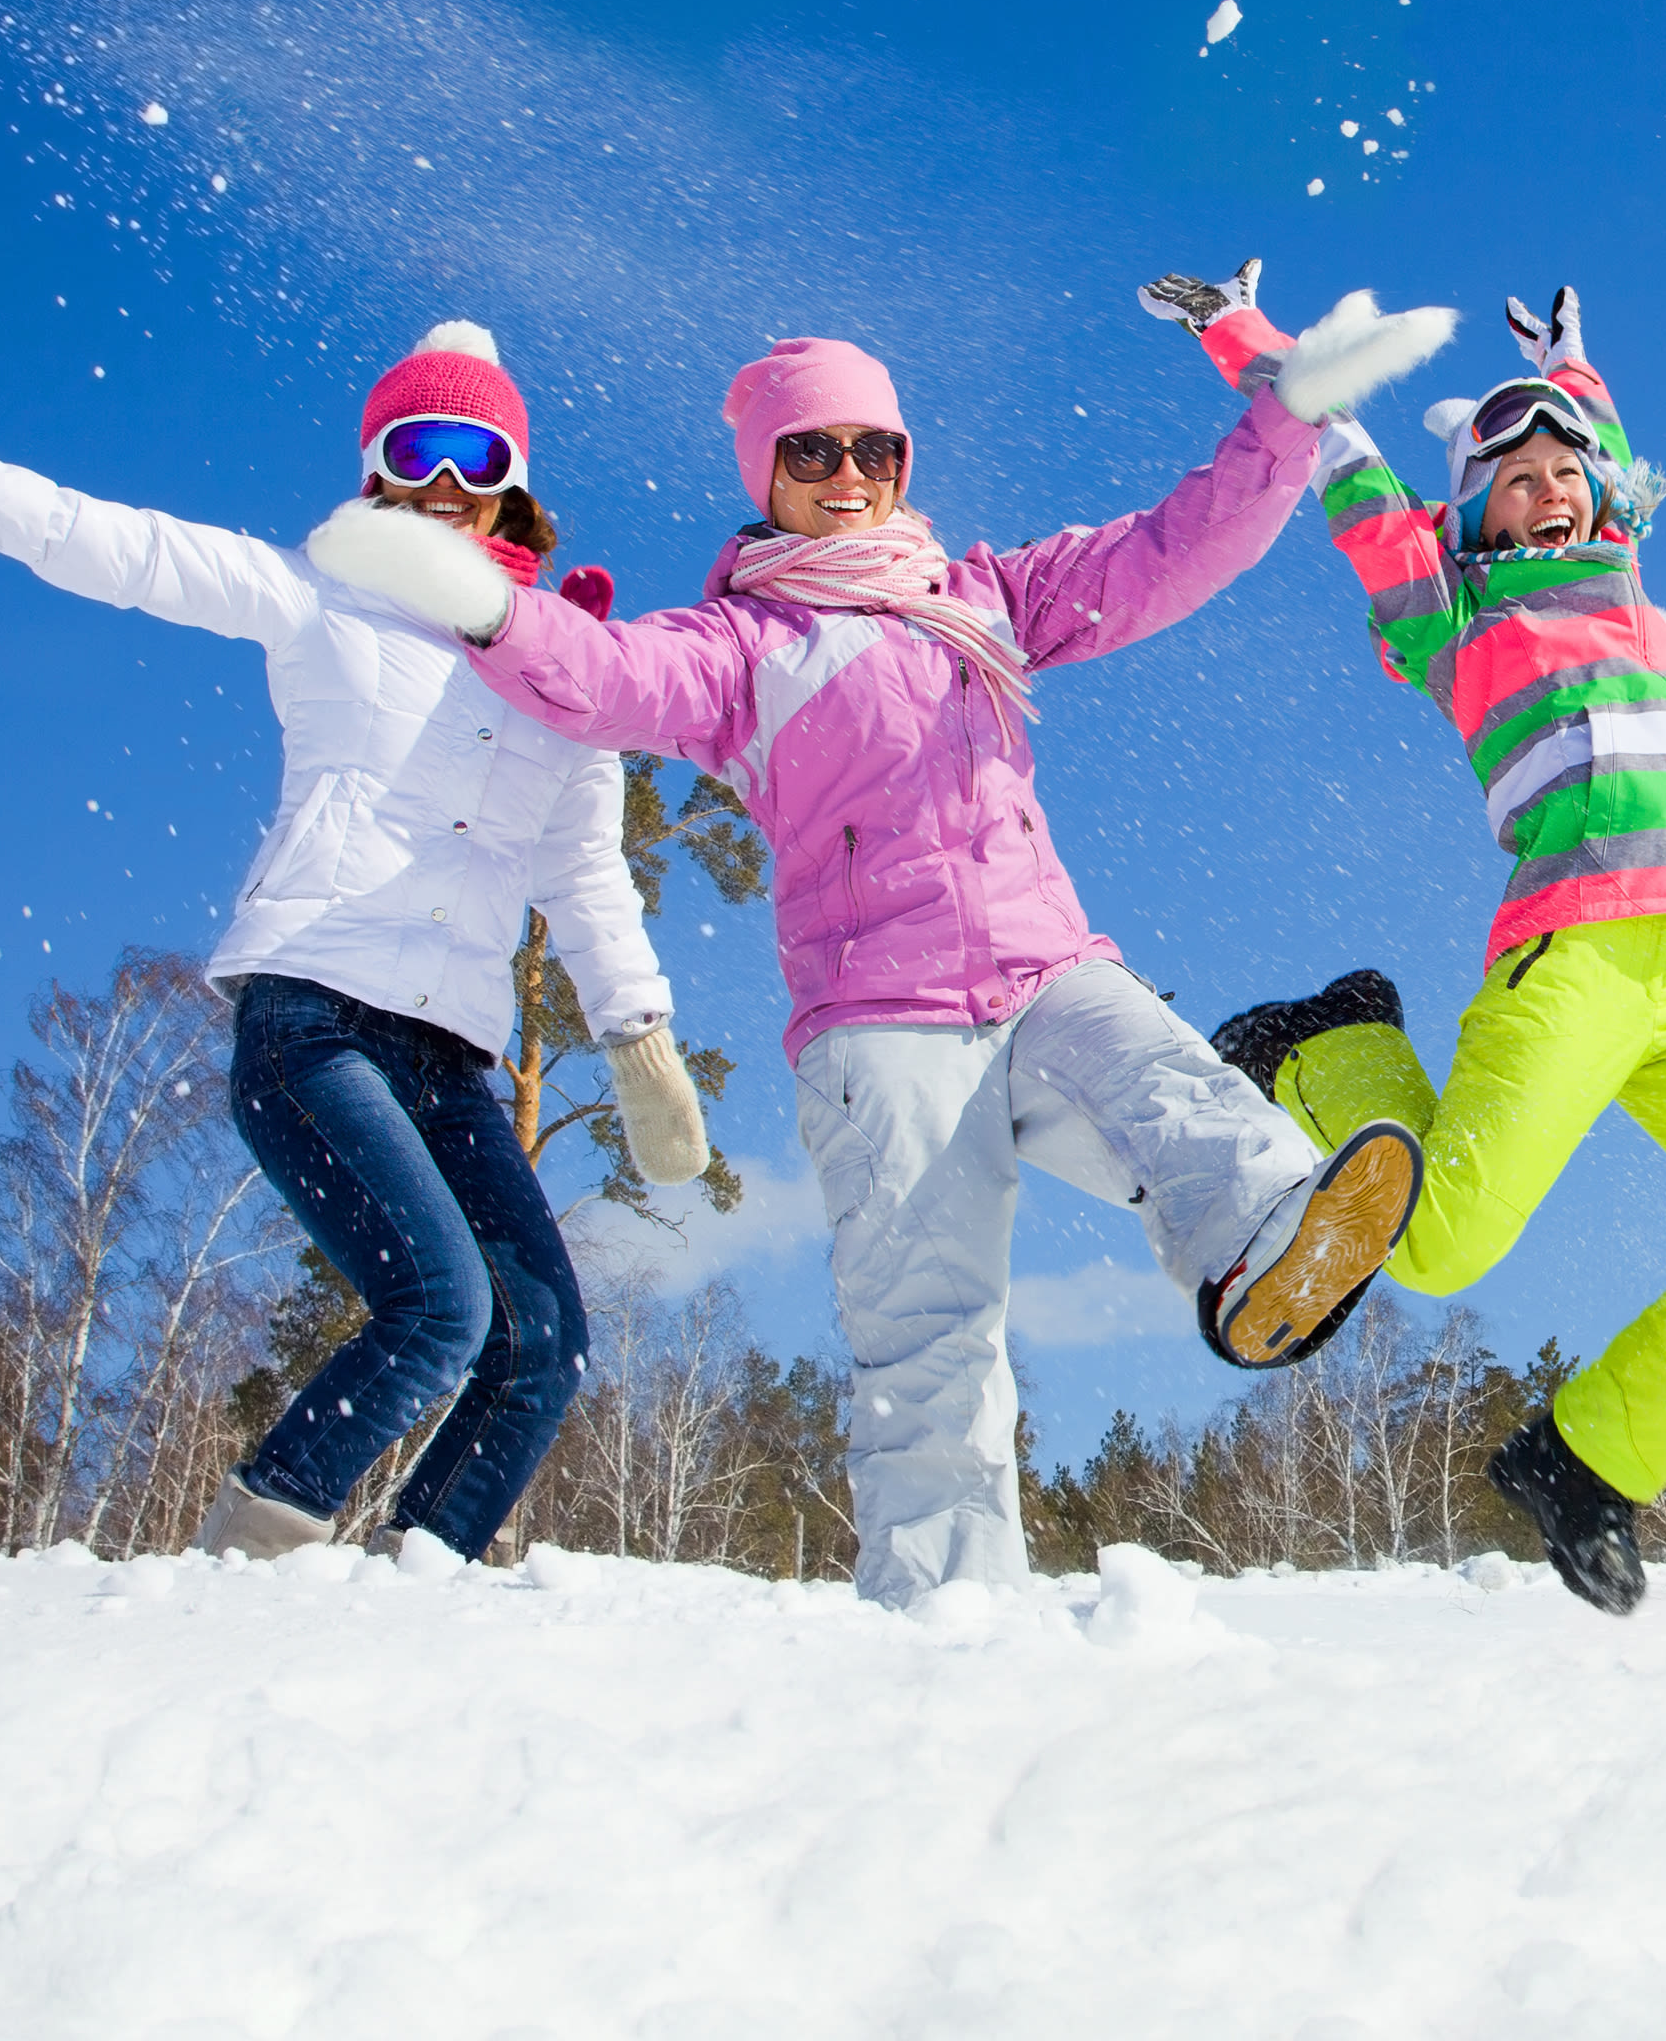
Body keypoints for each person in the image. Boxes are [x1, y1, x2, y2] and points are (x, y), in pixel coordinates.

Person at [310, 267, 1457, 1608]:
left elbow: (1166, 554)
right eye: (812, 450)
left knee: (1172, 1082)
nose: (845, 470)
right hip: (881, 1021)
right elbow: (605, 680)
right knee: (931, 1335)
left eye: (873, 447)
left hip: (1043, 971)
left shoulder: (984, 597)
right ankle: (946, 1618)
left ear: (904, 462)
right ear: (767, 471)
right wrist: (487, 604)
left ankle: (1270, 1244)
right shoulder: (737, 643)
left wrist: (1286, 422)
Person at [0, 323, 710, 1564]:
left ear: (512, 476)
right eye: (413, 444)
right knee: (438, 1308)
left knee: (542, 1342)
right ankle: (242, 1570)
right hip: (316, 1018)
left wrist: (640, 1037)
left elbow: (588, 874)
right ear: (375, 467)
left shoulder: (565, 677)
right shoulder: (319, 595)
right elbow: (105, 542)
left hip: (454, 1058)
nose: (443, 479)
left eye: (472, 449)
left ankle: (417, 1588)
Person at [1203, 281, 1666, 1617]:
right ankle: (1329, 1042)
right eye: (1518, 480)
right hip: (1578, 951)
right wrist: (1252, 344)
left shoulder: (1626, 588)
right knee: (1434, 1250)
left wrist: (1571, 364)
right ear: (1474, 514)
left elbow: (1600, 449)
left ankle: (1582, 1462)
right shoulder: (1457, 624)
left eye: (1569, 473)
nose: (1551, 491)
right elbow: (1347, 467)